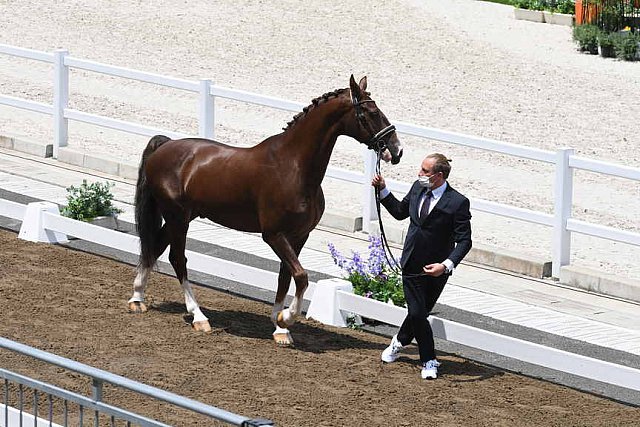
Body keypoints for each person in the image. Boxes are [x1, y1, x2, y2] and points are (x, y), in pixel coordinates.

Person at [371, 153, 472, 380]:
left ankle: (400, 341)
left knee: (419, 313)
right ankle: (429, 359)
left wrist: (446, 265)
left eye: (425, 171)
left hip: (437, 269)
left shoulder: (457, 202)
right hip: (412, 264)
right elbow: (399, 212)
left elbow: (465, 241)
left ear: (438, 176)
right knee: (417, 312)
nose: (420, 174)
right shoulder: (417, 188)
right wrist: (384, 190)